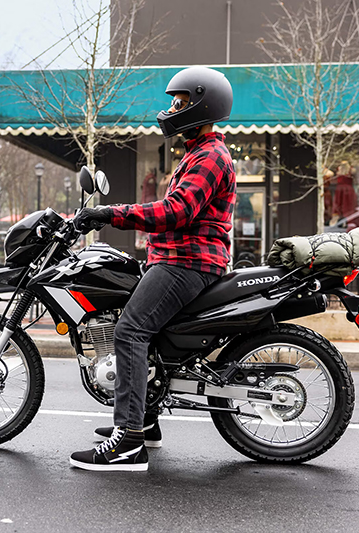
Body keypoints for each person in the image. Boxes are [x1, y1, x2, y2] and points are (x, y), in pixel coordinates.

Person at [69, 66, 237, 472]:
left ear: (201, 104)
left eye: (179, 102)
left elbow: (175, 212)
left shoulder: (210, 157)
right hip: (178, 259)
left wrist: (111, 213)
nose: (171, 109)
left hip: (188, 262)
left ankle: (127, 442)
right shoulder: (198, 153)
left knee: (130, 330)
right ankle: (144, 419)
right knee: (146, 329)